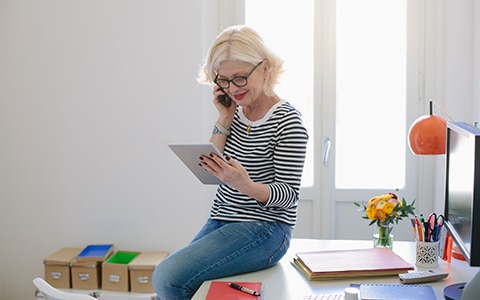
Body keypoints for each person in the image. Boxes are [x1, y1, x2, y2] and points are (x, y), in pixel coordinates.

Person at [152, 25, 308, 300]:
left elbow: (289, 196)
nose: (232, 88)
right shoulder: (233, 111)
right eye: (223, 80)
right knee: (179, 281)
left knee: (168, 278)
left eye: (239, 78)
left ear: (265, 68)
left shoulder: (288, 121)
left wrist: (245, 185)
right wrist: (224, 117)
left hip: (267, 228)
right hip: (221, 218)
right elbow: (213, 163)